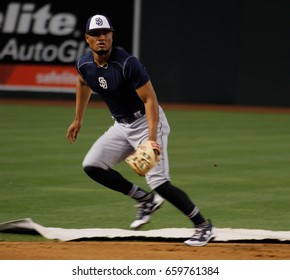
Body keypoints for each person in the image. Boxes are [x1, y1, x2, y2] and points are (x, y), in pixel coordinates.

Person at [66, 14, 214, 246]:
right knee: (92, 166)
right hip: (121, 125)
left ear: (112, 36)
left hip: (147, 122)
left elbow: (150, 100)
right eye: (95, 34)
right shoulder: (84, 64)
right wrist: (78, 119)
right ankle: (144, 200)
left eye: (105, 32)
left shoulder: (127, 63)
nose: (101, 37)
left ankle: (203, 226)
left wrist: (152, 140)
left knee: (159, 182)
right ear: (88, 38)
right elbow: (83, 82)